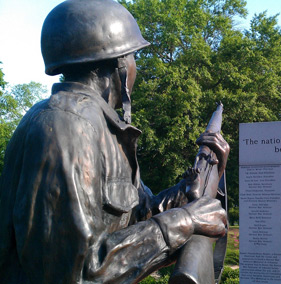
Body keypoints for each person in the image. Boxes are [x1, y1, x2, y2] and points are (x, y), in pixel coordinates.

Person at [0, 0, 229, 283]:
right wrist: (184, 222)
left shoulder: (105, 128)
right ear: (120, 65)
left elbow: (141, 213)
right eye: (133, 57)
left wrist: (203, 179)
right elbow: (74, 272)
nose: (135, 68)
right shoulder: (66, 126)